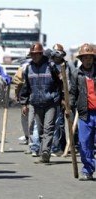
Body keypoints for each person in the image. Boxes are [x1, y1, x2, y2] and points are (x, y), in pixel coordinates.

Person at [19, 42, 62, 164]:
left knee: (49, 128)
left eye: (36, 54)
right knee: (41, 130)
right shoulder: (28, 68)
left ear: (41, 54)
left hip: (51, 103)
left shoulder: (51, 66)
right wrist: (24, 103)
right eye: (32, 55)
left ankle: (45, 152)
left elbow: (60, 83)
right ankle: (44, 151)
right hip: (36, 103)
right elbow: (26, 87)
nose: (34, 57)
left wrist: (62, 98)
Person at [69, 43, 96, 181]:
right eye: (85, 58)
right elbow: (72, 93)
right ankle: (88, 170)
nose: (88, 60)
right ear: (81, 59)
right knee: (84, 143)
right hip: (85, 113)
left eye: (90, 57)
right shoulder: (76, 74)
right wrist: (68, 106)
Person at [49, 44, 70, 157]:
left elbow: (68, 83)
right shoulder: (48, 65)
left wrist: (65, 99)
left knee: (61, 124)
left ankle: (61, 146)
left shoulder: (66, 65)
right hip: (50, 98)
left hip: (62, 97)